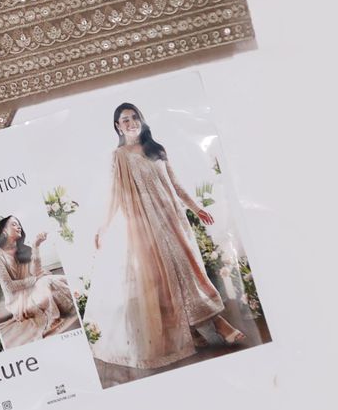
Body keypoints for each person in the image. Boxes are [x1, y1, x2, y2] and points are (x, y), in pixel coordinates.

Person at [88, 102, 245, 371]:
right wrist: (103, 226)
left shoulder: (156, 149)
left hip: (173, 220)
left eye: (134, 117)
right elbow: (115, 195)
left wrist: (195, 208)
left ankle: (200, 328)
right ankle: (217, 325)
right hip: (146, 226)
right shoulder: (119, 157)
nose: (131, 122)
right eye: (125, 120)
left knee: (188, 270)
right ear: (118, 126)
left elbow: (174, 184)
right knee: (166, 279)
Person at [0, 216, 77, 340]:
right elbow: (9, 286)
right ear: (4, 230)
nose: (19, 226)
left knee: (56, 280)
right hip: (18, 301)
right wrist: (34, 279)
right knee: (45, 282)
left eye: (19, 224)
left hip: (36, 288)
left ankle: (76, 300)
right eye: (14, 224)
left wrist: (36, 246)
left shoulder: (25, 249)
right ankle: (55, 317)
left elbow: (36, 272)